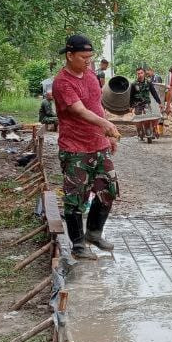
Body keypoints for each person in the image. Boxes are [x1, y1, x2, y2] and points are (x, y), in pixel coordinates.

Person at [52, 35, 121, 260]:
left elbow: (96, 106)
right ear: (69, 55)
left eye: (90, 57)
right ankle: (78, 244)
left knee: (108, 190)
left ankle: (94, 233)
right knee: (76, 198)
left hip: (99, 144)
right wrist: (106, 125)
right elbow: (80, 110)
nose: (88, 61)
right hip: (75, 148)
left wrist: (107, 134)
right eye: (83, 57)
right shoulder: (62, 83)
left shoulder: (91, 75)